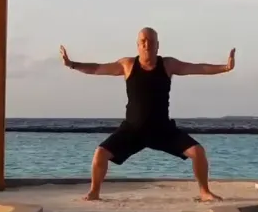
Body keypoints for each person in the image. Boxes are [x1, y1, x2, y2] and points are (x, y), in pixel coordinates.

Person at [59, 27, 235, 202]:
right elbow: (97, 68)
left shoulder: (167, 64)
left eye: (151, 41)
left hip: (163, 130)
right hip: (132, 130)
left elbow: (197, 68)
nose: (147, 44)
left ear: (158, 45)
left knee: (198, 152)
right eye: (143, 41)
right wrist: (72, 64)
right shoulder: (127, 65)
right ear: (137, 45)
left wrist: (225, 67)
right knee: (100, 153)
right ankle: (94, 191)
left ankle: (204, 192)